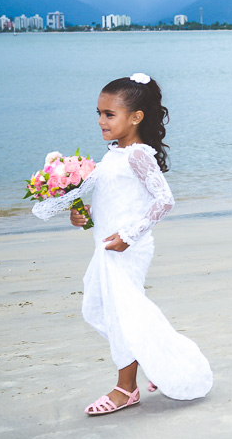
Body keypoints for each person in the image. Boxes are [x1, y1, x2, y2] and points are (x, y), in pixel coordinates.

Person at [33, 74, 212, 414]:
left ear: (136, 117)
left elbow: (164, 201)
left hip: (127, 248)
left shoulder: (138, 156)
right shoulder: (113, 155)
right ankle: (155, 357)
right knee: (101, 310)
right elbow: (111, 201)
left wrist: (130, 236)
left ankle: (125, 388)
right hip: (107, 245)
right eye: (98, 113)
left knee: (122, 316)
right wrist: (84, 214)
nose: (101, 121)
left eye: (109, 114)